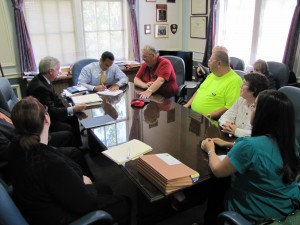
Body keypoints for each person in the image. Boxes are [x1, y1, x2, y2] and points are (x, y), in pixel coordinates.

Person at [8, 96, 131, 225]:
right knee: (124, 201)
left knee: (104, 188)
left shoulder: (16, 146)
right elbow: (87, 204)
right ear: (46, 118)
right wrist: (85, 182)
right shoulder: (51, 163)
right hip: (57, 216)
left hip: (36, 206)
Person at [201, 90, 300, 224]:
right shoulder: (291, 142)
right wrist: (230, 144)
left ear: (263, 115)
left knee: (218, 186)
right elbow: (265, 152)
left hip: (257, 216)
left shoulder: (248, 146)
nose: (251, 108)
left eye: (254, 106)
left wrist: (210, 150)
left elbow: (218, 170)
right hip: (286, 209)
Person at [27, 56, 86, 147]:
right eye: (57, 70)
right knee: (68, 127)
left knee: (73, 117)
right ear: (51, 71)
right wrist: (72, 109)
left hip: (50, 114)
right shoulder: (39, 87)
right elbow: (51, 111)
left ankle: (78, 146)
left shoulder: (44, 80)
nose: (58, 72)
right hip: (43, 120)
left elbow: (57, 100)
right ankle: (73, 150)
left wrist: (70, 109)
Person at [184, 46, 242, 119]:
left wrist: (208, 115)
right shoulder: (212, 75)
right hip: (194, 117)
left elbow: (230, 107)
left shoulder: (235, 81)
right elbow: (199, 91)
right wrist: (186, 105)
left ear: (219, 63)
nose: (208, 63)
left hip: (210, 122)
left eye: (210, 61)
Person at [217, 72, 269, 139]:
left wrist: (236, 131)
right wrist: (227, 125)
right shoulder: (241, 100)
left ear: (254, 89)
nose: (240, 86)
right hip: (234, 139)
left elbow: (259, 134)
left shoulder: (263, 108)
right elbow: (225, 117)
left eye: (244, 84)